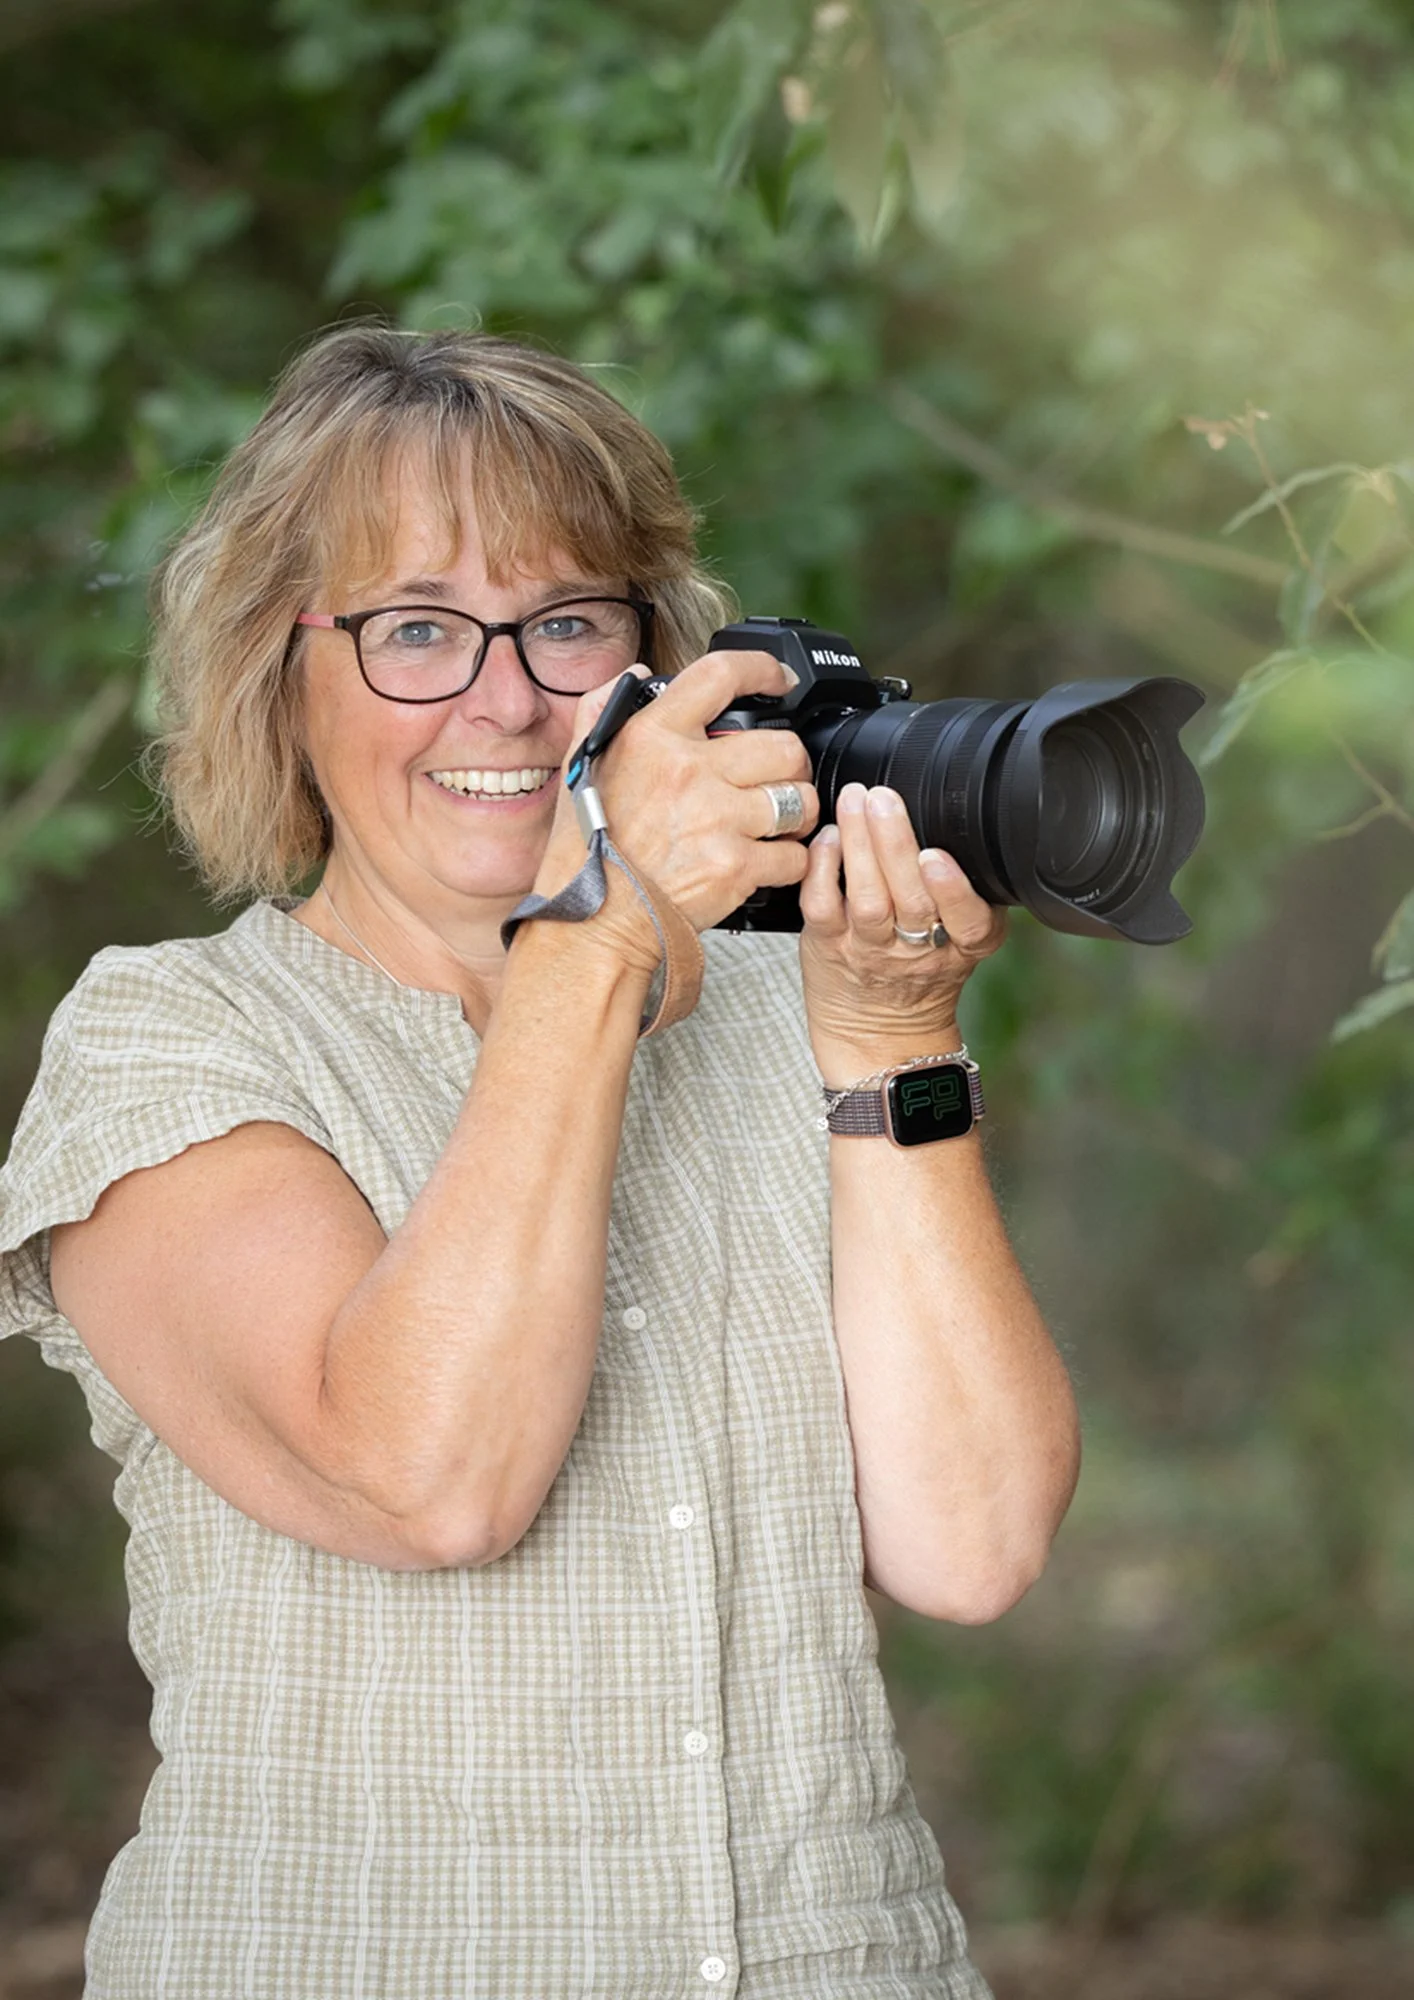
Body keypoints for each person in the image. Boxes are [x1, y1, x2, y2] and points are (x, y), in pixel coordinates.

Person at [0, 324, 1080, 1999]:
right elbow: (424, 1479)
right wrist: (598, 937)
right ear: (276, 669)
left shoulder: (789, 1019)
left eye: (567, 622)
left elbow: (975, 1540)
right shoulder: (169, 1044)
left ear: (658, 660)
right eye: (416, 630)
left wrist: (892, 1048)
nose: (505, 700)